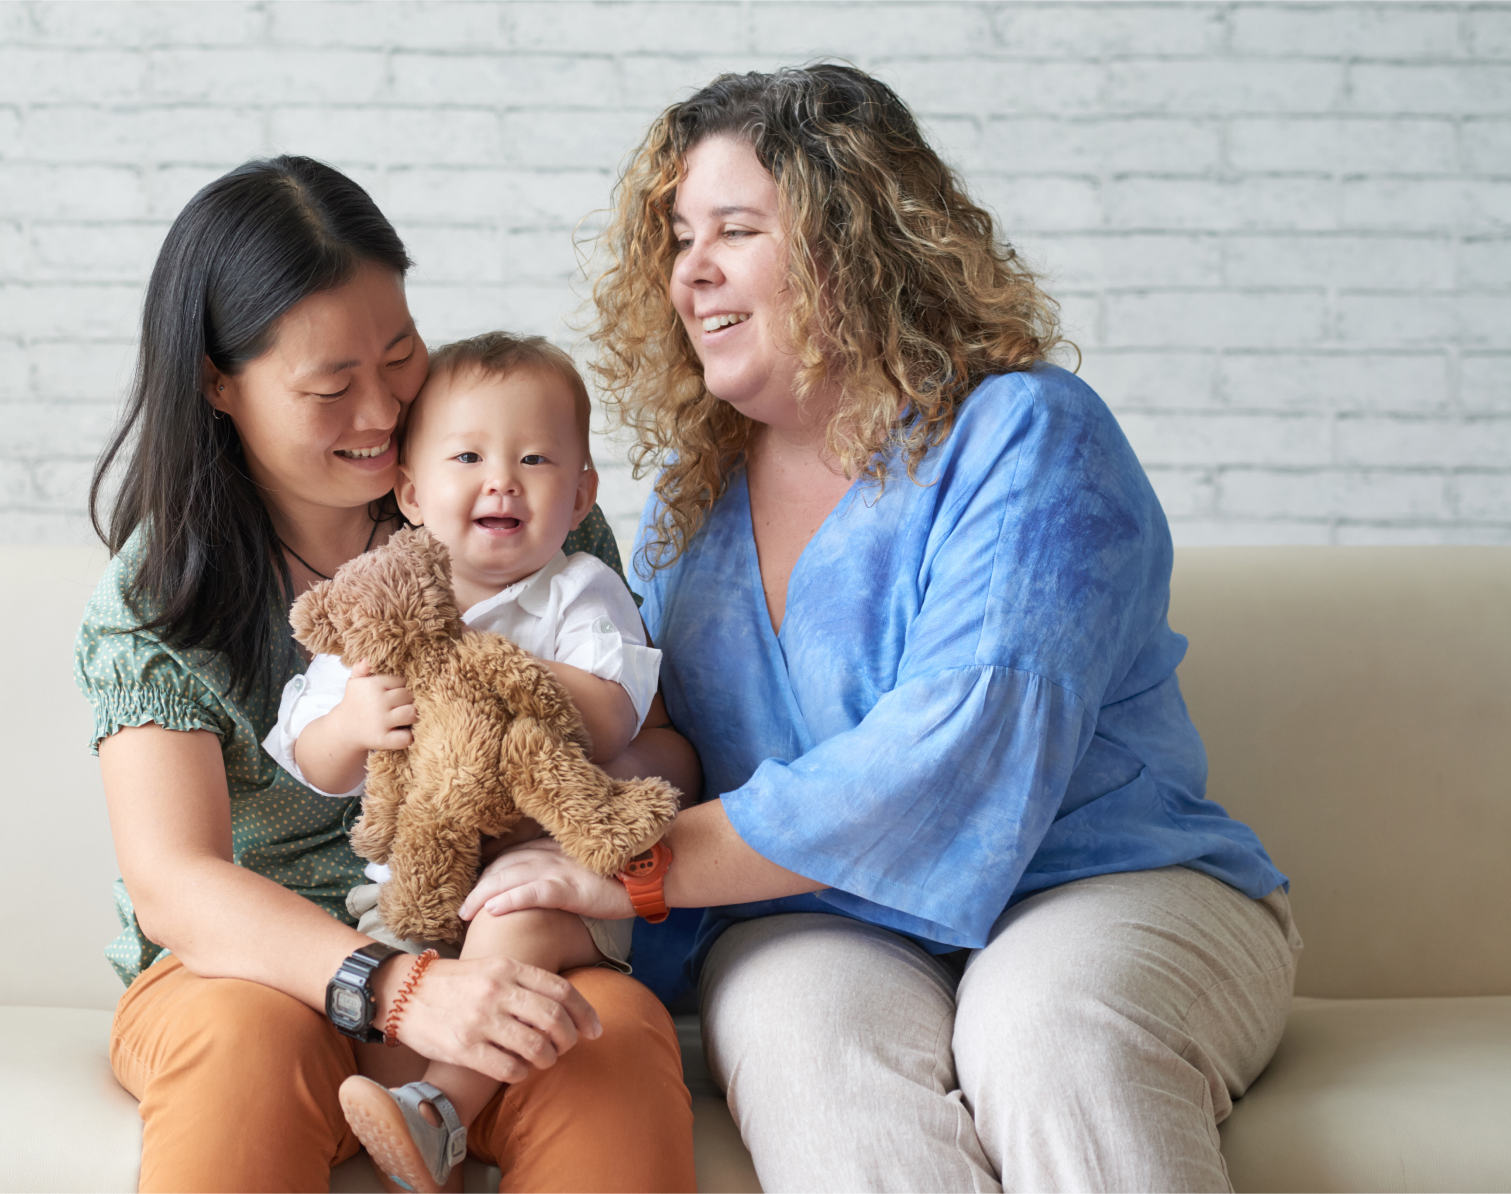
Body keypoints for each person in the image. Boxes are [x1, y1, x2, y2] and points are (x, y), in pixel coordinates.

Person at [461, 65, 1304, 1193]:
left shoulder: (1029, 436)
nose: (691, 270)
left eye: (736, 229)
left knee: (1047, 1034)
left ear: (853, 240)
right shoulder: (682, 508)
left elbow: (950, 758)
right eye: (677, 238)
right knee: (804, 1047)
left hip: (1102, 882)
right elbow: (655, 735)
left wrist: (637, 869)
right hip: (812, 916)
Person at [75, 156, 696, 1193]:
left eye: (400, 355)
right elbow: (176, 881)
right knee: (243, 1046)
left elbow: (667, 746)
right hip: (257, 974)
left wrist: (559, 791)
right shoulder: (156, 598)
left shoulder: (512, 497)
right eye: (329, 387)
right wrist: (396, 989)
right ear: (217, 383)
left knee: (609, 1043)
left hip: (500, 933)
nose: (380, 410)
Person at [260, 331, 667, 1192]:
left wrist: (476, 674)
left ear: (582, 492)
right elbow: (311, 758)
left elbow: (611, 713)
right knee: (386, 1000)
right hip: (414, 883)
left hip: (546, 873)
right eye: (469, 456)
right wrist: (355, 722)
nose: (502, 480)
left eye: (534, 459)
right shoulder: (387, 596)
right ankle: (418, 1114)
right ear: (409, 491)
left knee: (510, 914)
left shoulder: (579, 589)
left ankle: (438, 1110)